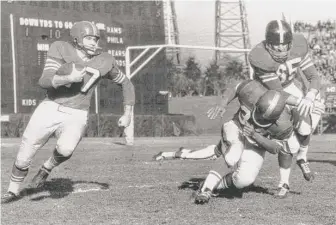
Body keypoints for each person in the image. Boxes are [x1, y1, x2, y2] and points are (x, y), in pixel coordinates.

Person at [1, 21, 135, 204]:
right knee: (26, 152)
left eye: (95, 39)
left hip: (77, 112)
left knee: (66, 148)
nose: (93, 42)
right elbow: (44, 80)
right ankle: (12, 191)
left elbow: (126, 83)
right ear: (77, 38)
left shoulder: (105, 60)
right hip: (51, 106)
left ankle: (46, 168)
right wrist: (68, 78)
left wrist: (127, 113)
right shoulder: (60, 48)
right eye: (89, 38)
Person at [193, 87, 302, 204]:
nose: (258, 118)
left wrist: (256, 135)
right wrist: (223, 103)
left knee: (244, 180)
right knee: (234, 152)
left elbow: (275, 148)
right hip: (236, 126)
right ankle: (206, 189)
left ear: (275, 119)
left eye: (264, 118)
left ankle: (212, 184)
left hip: (256, 142)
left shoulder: (283, 126)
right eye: (259, 111)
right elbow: (236, 86)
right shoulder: (253, 91)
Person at [249, 20, 324, 187]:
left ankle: (302, 157)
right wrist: (301, 101)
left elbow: (314, 77)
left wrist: (310, 96)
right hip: (268, 94)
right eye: (276, 47)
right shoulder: (259, 56)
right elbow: (278, 93)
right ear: (268, 45)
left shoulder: (299, 44)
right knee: (288, 140)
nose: (282, 51)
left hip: (290, 86)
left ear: (291, 43)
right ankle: (283, 183)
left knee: (305, 129)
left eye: (285, 46)